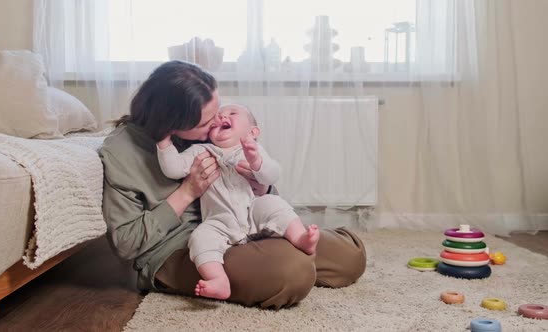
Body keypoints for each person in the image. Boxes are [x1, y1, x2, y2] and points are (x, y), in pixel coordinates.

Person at [99, 60, 366, 309]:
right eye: (206, 121)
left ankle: (271, 254)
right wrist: (188, 192)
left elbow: (258, 188)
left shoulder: (205, 133)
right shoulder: (121, 152)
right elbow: (126, 243)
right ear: (172, 122)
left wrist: (261, 186)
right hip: (183, 248)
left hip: (242, 224)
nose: (217, 122)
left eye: (217, 111)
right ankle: (258, 264)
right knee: (293, 271)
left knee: (350, 256)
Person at [156, 104, 320, 300]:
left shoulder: (254, 150)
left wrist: (256, 161)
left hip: (253, 211)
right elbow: (173, 169)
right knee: (200, 237)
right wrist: (164, 143)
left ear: (253, 131)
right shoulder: (200, 150)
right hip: (219, 220)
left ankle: (301, 238)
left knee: (272, 204)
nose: (223, 116)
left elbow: (272, 174)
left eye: (232, 113)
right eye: (218, 117)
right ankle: (218, 279)